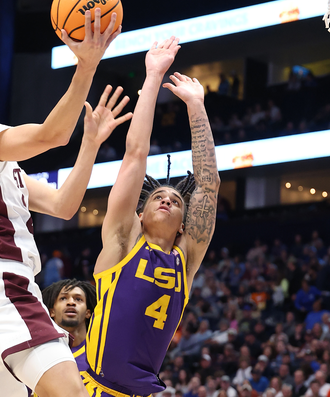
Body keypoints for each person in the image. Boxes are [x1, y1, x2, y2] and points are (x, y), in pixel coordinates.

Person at [0, 8, 123, 397]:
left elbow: (63, 205)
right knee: (72, 393)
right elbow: (52, 135)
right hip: (3, 286)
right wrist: (86, 66)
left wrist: (91, 144)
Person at [82, 38, 220, 396]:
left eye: (175, 200)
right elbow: (135, 154)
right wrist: (153, 77)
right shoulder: (123, 240)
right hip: (88, 383)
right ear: (139, 214)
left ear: (185, 225)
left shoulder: (184, 261)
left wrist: (196, 106)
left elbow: (208, 186)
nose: (167, 200)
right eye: (158, 196)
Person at [42, 278, 97, 373]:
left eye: (78, 299)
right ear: (52, 312)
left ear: (88, 313)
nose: (71, 302)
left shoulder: (102, 353)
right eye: (63, 298)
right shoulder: (40, 356)